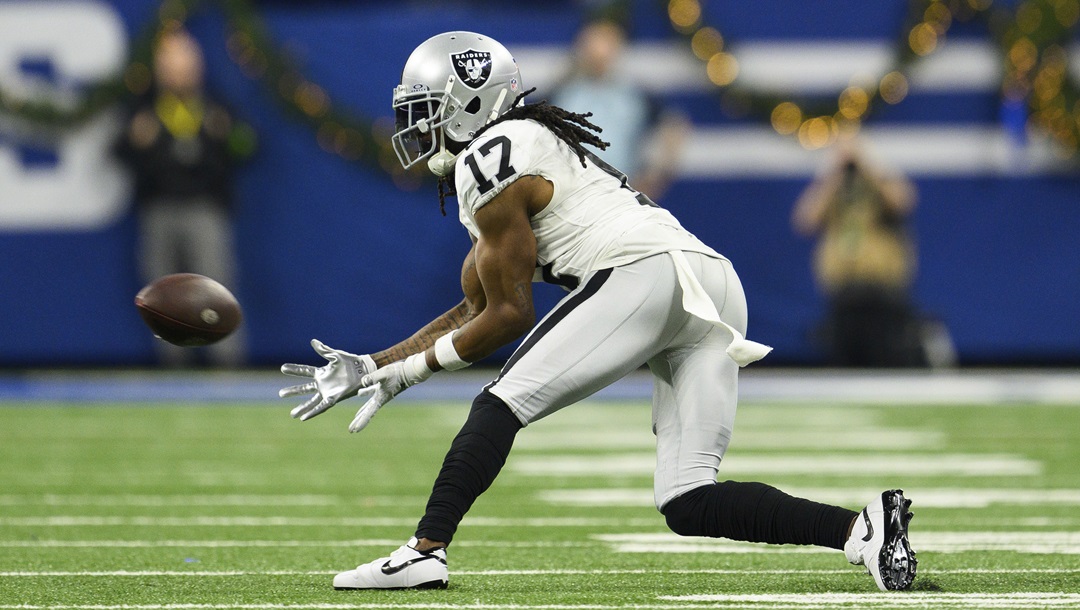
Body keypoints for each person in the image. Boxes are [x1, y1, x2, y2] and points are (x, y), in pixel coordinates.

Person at [279, 32, 917, 592]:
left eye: (427, 111)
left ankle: (425, 552)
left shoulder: (489, 157)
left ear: (470, 102)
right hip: (712, 282)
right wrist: (377, 366)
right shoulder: (530, 145)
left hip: (644, 275)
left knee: (499, 403)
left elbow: (505, 316)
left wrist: (413, 373)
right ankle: (862, 531)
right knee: (688, 499)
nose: (418, 128)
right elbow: (472, 307)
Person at [115, 25, 250, 368]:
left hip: (204, 208)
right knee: (161, 295)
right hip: (159, 208)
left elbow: (248, 145)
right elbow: (117, 151)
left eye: (184, 60)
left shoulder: (214, 105)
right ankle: (171, 367)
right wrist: (135, 142)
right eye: (171, 61)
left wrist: (227, 136)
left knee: (216, 286)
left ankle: (227, 364)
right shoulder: (145, 109)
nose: (179, 69)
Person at [792, 138, 930, 367]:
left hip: (882, 289)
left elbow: (902, 202)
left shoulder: (878, 184)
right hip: (843, 290)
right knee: (844, 360)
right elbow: (805, 221)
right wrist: (834, 173)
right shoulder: (833, 189)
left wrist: (866, 165)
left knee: (885, 357)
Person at [548, 17, 688, 202]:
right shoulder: (563, 93)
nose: (599, 49)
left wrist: (654, 179)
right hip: (570, 196)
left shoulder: (634, 95)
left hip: (620, 196)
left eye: (607, 40)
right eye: (594, 40)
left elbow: (674, 126)